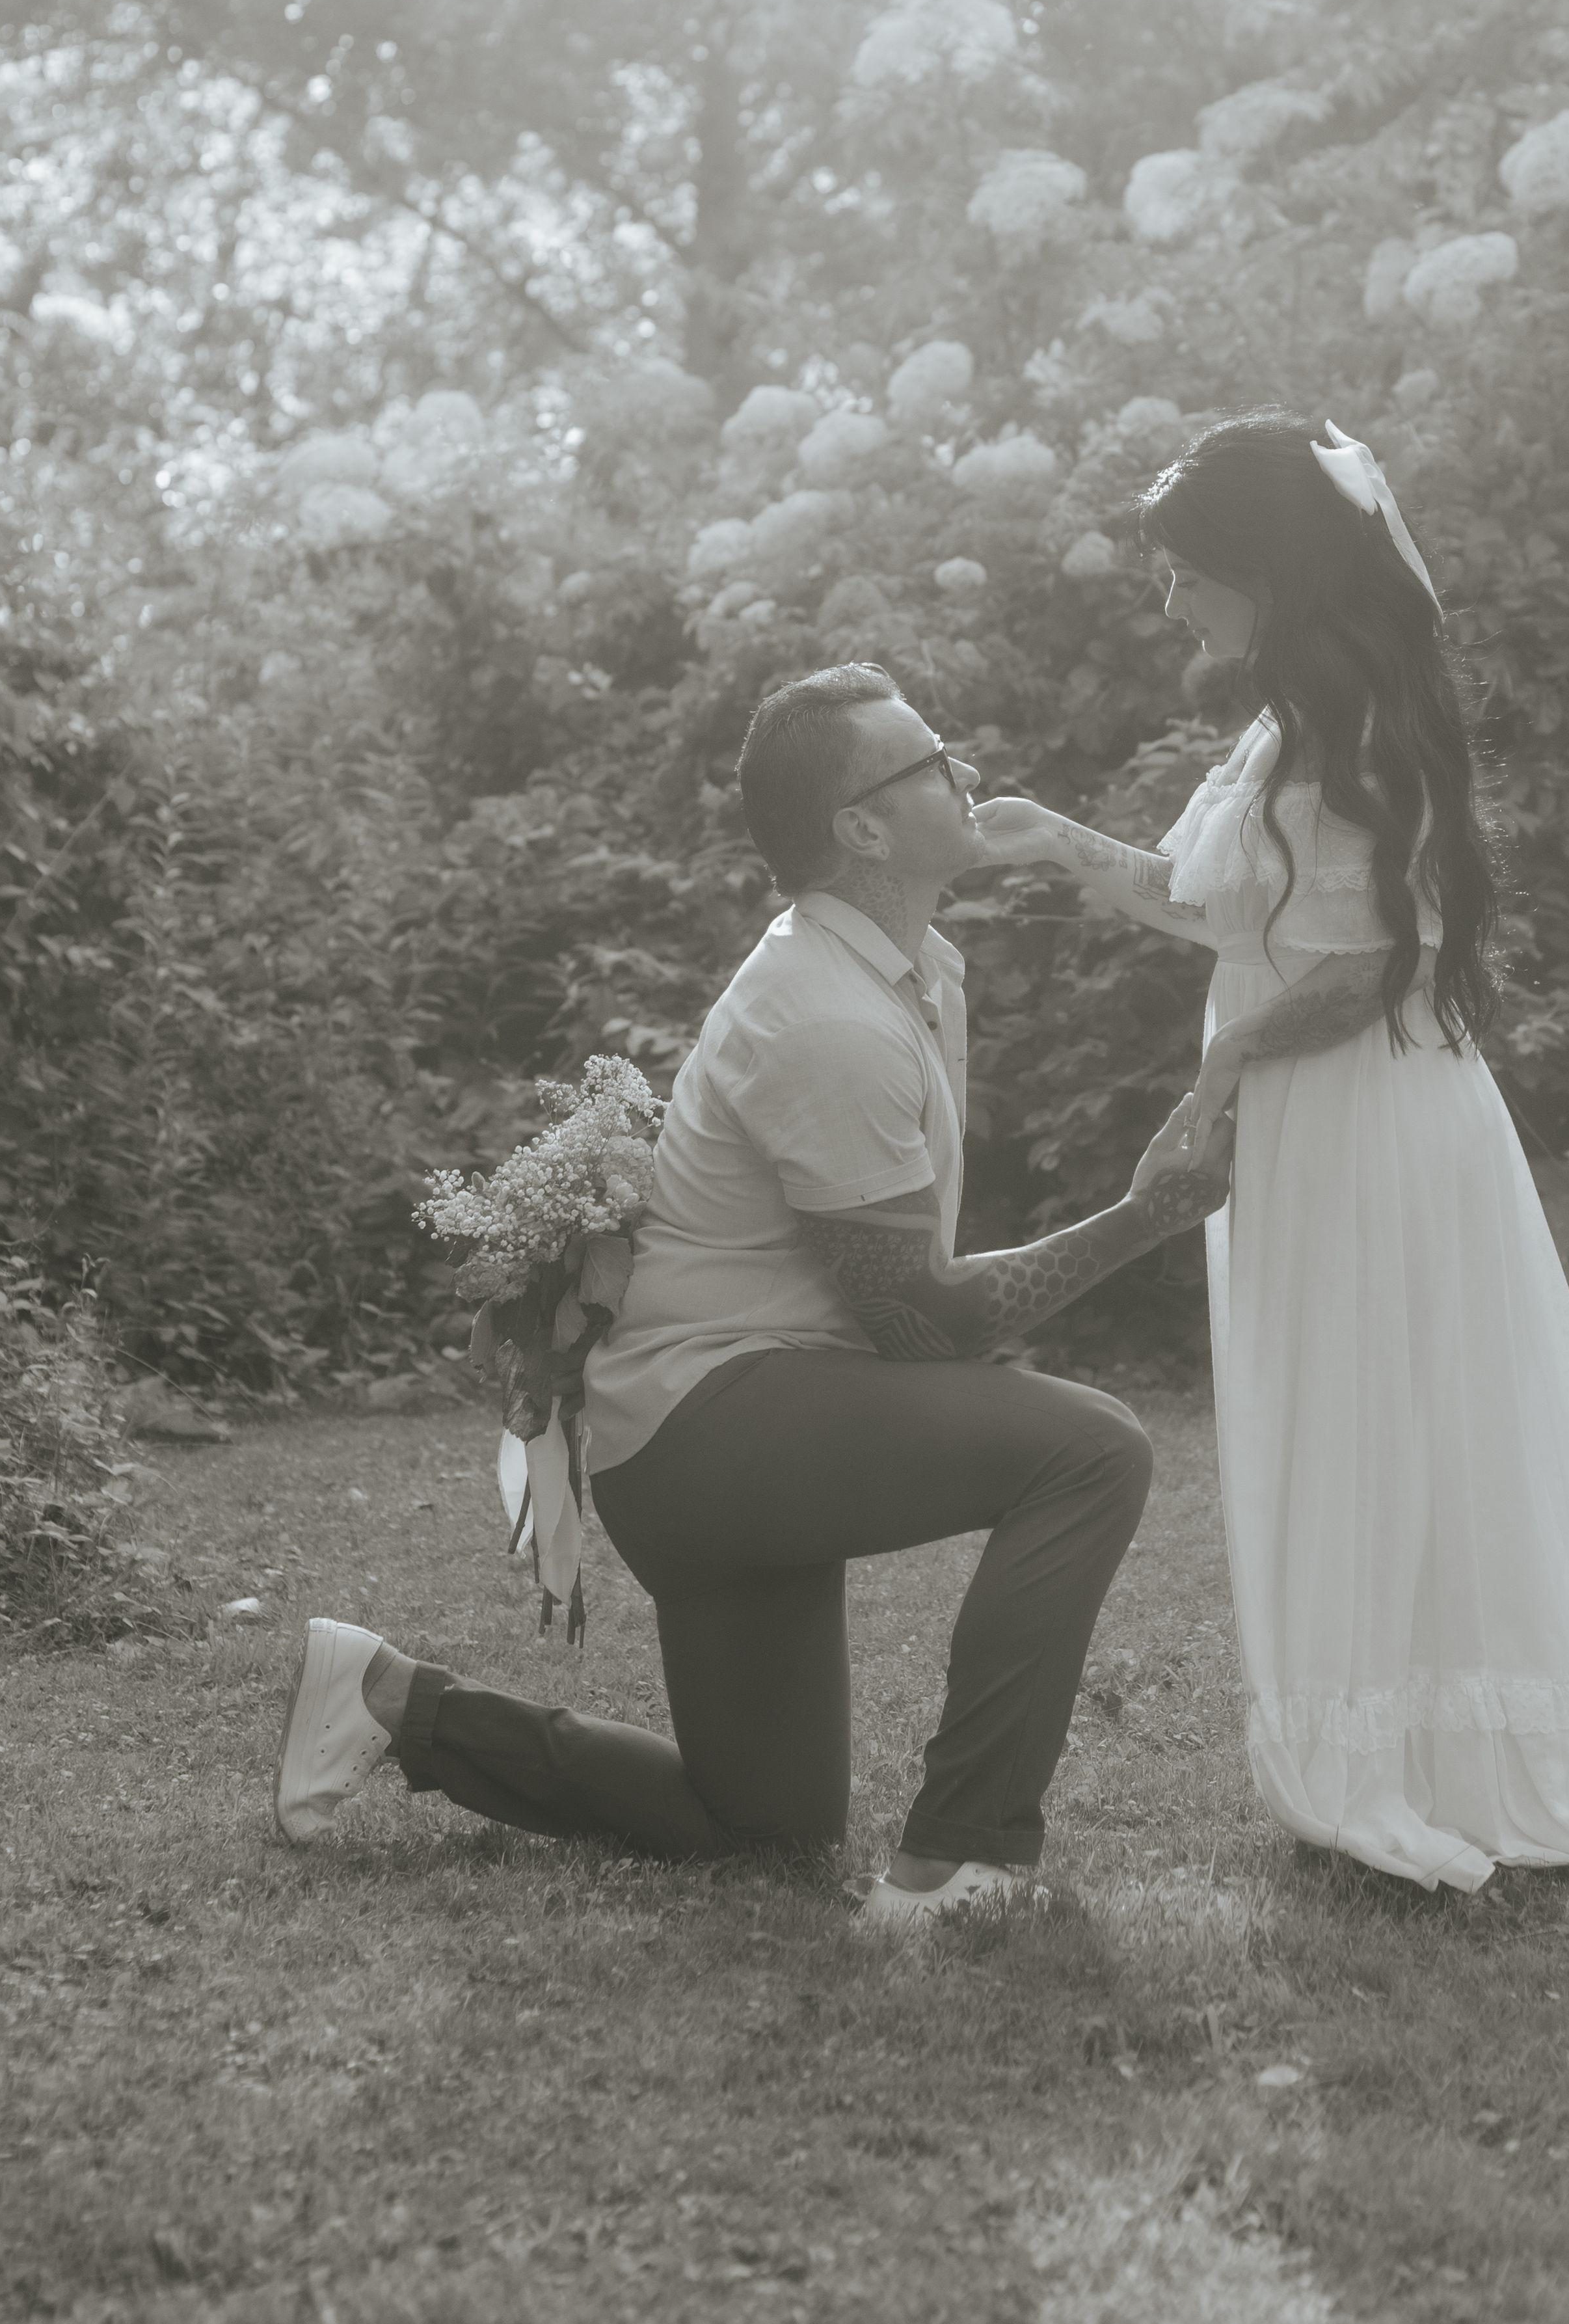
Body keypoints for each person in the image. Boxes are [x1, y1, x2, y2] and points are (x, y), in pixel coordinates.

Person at [973, 413, 1569, 1894]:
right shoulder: (1283, 727)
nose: (1167, 602)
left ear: (1265, 568)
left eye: (1184, 573)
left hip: (1367, 1116)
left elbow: (1381, 963)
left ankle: (1431, 1751)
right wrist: (1053, 838)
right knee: (1345, 1408)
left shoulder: (1367, 727)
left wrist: (1221, 1071)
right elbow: (1215, 909)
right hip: (1310, 1114)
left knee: (1395, 1411)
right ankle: (1391, 1736)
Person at [271, 664, 1232, 1930]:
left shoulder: (893, 967)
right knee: (1092, 1450)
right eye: (931, 761)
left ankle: (392, 1699)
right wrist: (1146, 1216)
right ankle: (958, 1863)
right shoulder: (825, 1015)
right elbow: (923, 1325)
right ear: (862, 828)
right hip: (712, 1433)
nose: (964, 772)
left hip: (712, 1431)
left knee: (764, 1823)